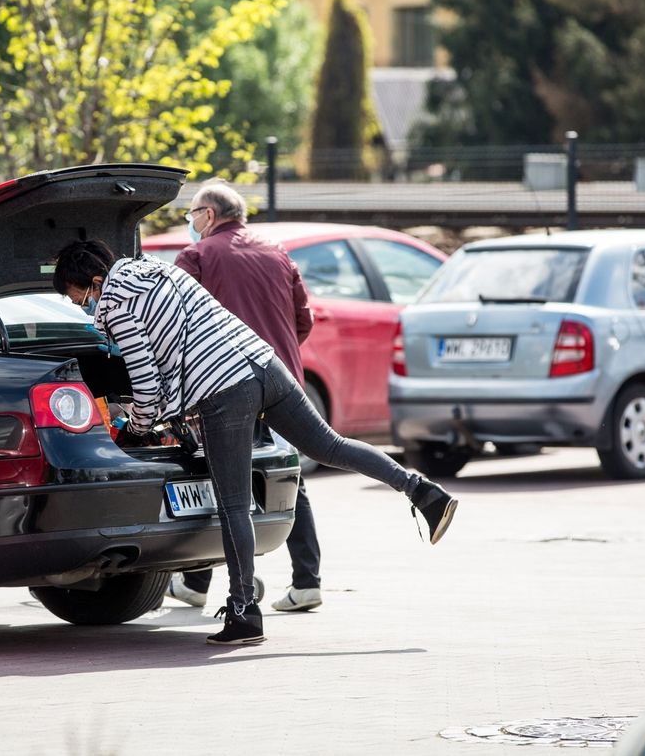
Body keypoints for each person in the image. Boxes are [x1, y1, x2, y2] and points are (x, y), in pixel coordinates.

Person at [52, 238, 458, 646]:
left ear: (95, 281)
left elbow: (145, 384)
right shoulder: (159, 270)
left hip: (221, 389)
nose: (82, 306)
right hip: (263, 363)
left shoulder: (116, 303)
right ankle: (422, 491)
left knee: (232, 507)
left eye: (79, 297)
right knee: (330, 445)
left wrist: (136, 428)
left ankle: (245, 614)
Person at [168, 180, 323, 614]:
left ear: (210, 215)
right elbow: (303, 320)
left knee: (218, 478)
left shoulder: (197, 257)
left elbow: (179, 327)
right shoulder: (276, 250)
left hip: (222, 385)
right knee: (288, 478)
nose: (190, 223)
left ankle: (198, 582)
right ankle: (306, 581)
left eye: (192, 214)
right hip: (280, 379)